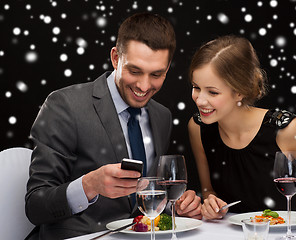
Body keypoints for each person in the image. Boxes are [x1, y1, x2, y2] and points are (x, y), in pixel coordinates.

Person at [25, 12, 201, 240]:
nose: (144, 86)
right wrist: (89, 185)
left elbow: (144, 198)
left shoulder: (162, 116)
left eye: (156, 74)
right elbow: (35, 206)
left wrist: (174, 207)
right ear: (116, 58)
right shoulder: (65, 105)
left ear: (167, 69)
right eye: (135, 71)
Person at [187, 35, 296, 221]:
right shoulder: (198, 127)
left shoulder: (286, 130)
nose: (199, 100)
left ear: (240, 91)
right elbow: (209, 189)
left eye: (212, 92)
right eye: (196, 87)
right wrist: (211, 203)